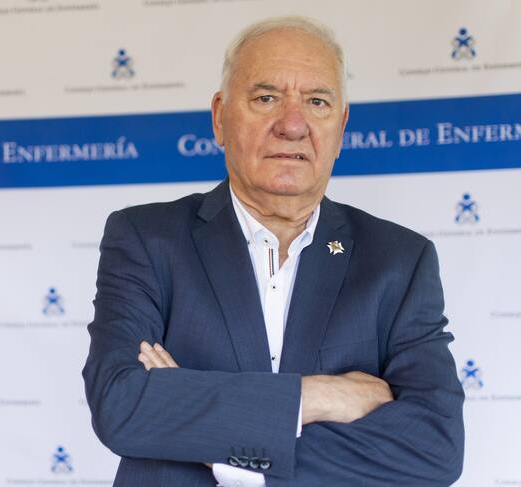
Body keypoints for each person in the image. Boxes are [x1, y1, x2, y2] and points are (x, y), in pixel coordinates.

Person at [83, 16, 464, 487]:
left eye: (317, 102)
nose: (292, 125)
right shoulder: (145, 238)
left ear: (341, 127)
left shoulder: (399, 261)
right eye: (266, 98)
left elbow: (434, 446)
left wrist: (213, 440)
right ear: (220, 118)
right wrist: (317, 397)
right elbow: (122, 404)